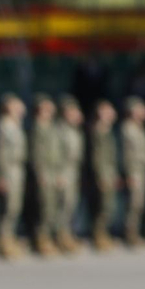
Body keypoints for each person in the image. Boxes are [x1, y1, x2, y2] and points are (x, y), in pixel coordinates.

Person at [0, 93, 28, 259]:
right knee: (7, 208)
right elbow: (1, 153)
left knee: (14, 207)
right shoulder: (4, 126)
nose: (22, 109)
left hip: (17, 169)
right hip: (8, 170)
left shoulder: (16, 125)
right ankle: (3, 241)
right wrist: (1, 175)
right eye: (17, 106)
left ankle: (10, 238)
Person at [29, 93, 64, 256]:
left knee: (52, 206)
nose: (48, 112)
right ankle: (41, 238)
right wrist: (40, 173)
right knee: (43, 206)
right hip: (44, 171)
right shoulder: (37, 128)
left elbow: (57, 153)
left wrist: (58, 172)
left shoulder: (52, 128)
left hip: (53, 170)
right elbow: (37, 153)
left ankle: (50, 236)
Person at [119, 96, 145, 247]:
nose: (144, 112)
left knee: (140, 204)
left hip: (142, 170)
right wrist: (129, 173)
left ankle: (137, 232)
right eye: (140, 109)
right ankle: (130, 234)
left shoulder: (141, 128)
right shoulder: (127, 128)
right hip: (134, 171)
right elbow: (126, 153)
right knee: (134, 204)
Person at [88, 99, 119, 251]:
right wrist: (101, 176)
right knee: (101, 205)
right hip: (103, 173)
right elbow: (97, 156)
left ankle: (103, 233)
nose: (111, 114)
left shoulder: (108, 131)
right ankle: (98, 234)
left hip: (109, 172)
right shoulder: (98, 131)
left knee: (108, 205)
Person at [56, 96, 86, 252]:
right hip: (64, 171)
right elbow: (56, 154)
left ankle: (68, 234)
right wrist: (59, 174)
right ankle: (61, 236)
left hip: (73, 171)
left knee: (71, 205)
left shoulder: (75, 130)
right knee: (63, 205)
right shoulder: (59, 130)